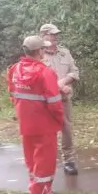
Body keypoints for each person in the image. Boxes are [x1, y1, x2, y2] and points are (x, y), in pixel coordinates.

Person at [7, 36, 65, 194]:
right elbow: (54, 103)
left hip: (25, 124)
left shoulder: (15, 70)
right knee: (45, 161)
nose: (44, 51)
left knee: (31, 159)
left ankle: (35, 189)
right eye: (43, 49)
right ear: (39, 51)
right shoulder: (46, 73)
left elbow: (13, 95)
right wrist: (59, 120)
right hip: (45, 125)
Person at [39, 23, 80, 175]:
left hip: (63, 99)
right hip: (45, 102)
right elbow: (37, 79)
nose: (55, 37)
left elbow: (75, 72)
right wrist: (58, 85)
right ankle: (45, 161)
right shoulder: (38, 55)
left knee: (67, 129)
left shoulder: (64, 52)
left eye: (56, 34)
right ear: (43, 36)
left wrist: (65, 81)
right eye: (51, 34)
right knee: (46, 132)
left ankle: (68, 160)